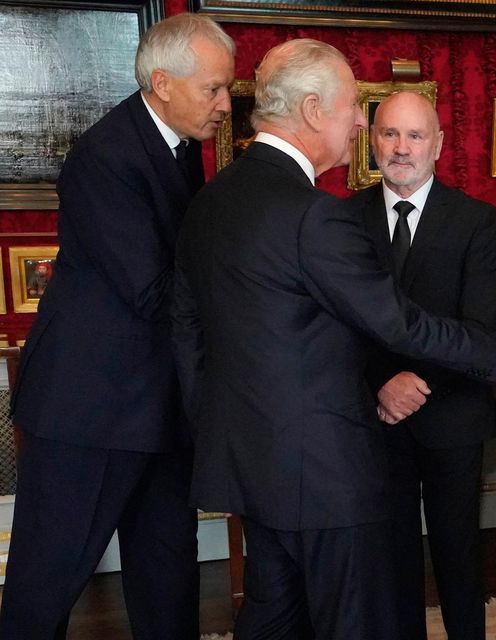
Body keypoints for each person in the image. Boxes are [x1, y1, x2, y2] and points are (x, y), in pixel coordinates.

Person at [171, 40, 496, 640]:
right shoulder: (316, 214)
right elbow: (399, 324)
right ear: (311, 109)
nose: (360, 121)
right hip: (322, 474)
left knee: (274, 617)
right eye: (354, 107)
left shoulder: (212, 200)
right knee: (353, 621)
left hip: (250, 462)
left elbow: (188, 332)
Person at [0, 14, 235, 639]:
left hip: (157, 404)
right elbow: (155, 289)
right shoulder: (105, 157)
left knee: (168, 573)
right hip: (90, 411)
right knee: (47, 582)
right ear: (162, 82)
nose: (223, 105)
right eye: (212, 89)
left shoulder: (180, 147)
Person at [352, 90, 496, 640]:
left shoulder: (476, 221)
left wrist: (418, 383)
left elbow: (478, 327)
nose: (402, 148)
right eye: (390, 134)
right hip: (375, 417)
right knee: (389, 559)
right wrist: (382, 383)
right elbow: (336, 324)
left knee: (458, 556)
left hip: (453, 415)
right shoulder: (344, 220)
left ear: (437, 145)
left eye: (415, 136)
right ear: (372, 142)